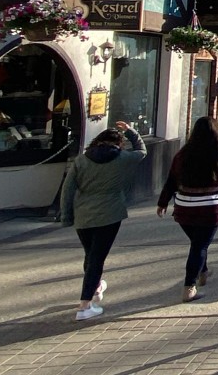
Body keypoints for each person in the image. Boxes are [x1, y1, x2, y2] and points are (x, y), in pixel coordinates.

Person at [60, 121, 146, 321]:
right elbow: (142, 151)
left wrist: (66, 215)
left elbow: (67, 188)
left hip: (83, 214)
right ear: (118, 144)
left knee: (91, 256)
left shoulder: (81, 160)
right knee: (96, 259)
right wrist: (131, 132)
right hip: (110, 214)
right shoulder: (122, 158)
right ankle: (85, 305)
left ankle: (96, 288)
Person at [156, 117, 218, 303]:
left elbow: (172, 179)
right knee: (199, 246)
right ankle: (189, 287)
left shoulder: (184, 154)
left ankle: (203, 271)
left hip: (185, 208)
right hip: (211, 207)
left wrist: (163, 202)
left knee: (198, 243)